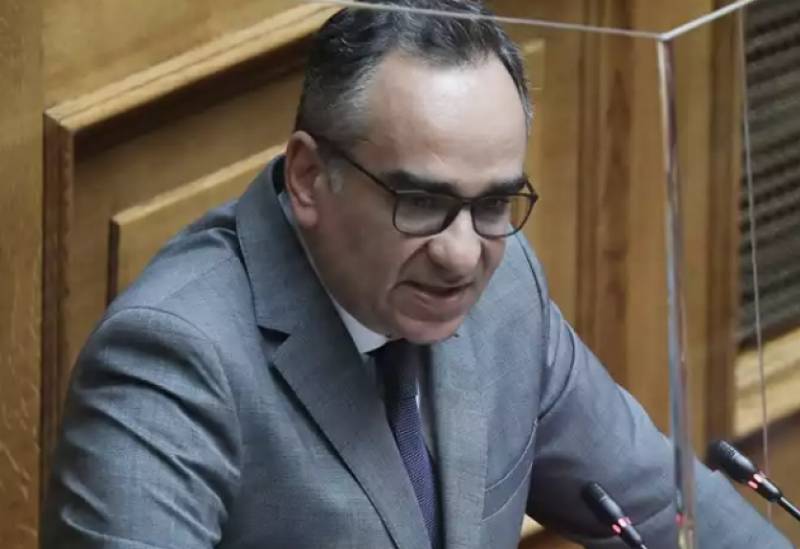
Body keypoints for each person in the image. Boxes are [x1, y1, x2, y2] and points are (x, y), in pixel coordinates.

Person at [42, 1, 791, 548]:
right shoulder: (170, 363)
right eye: (422, 202)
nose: (462, 254)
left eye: (493, 203)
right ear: (308, 177)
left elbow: (665, 509)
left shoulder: (505, 291)